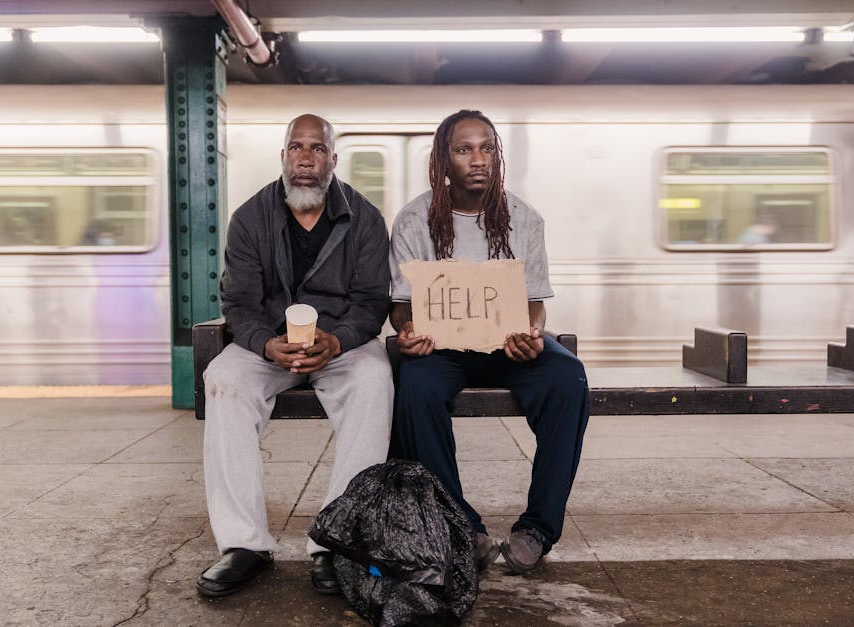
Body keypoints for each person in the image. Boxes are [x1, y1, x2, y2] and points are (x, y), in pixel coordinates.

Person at [197, 114, 394, 597]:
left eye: (318, 148)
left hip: (339, 344)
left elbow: (371, 301)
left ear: (333, 158)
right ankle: (245, 546)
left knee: (374, 380)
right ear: (283, 155)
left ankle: (334, 542)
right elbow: (238, 303)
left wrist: (339, 341)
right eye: (296, 147)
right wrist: (266, 343)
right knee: (224, 377)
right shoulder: (250, 217)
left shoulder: (365, 218)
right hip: (270, 344)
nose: (306, 158)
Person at [388, 110, 590, 574]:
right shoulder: (415, 219)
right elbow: (400, 303)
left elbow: (535, 301)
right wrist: (407, 329)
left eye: (487, 148)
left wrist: (531, 331)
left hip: (507, 344)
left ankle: (538, 528)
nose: (478, 159)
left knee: (567, 378)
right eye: (464, 149)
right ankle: (463, 526)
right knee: (414, 387)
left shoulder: (524, 218)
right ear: (443, 159)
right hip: (444, 346)